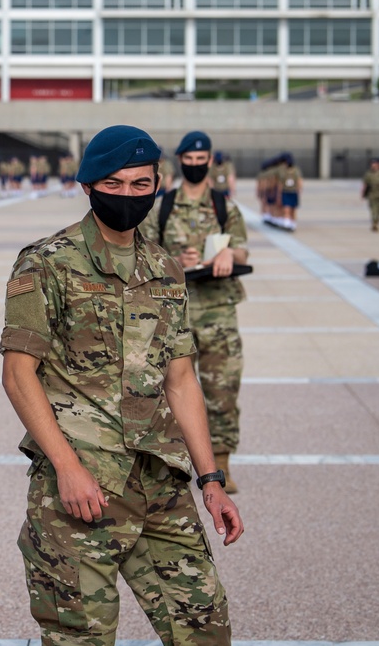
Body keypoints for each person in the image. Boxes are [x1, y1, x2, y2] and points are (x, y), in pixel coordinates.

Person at [0, 124, 242, 646]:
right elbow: (18, 375)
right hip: (80, 490)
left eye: (140, 184)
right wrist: (66, 468)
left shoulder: (165, 269)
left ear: (157, 184)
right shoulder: (46, 262)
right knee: (81, 639)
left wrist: (211, 480)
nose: (128, 196)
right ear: (87, 185)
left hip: (159, 484)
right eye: (114, 184)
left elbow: (181, 380)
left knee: (206, 632)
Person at [140, 130, 249, 494]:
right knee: (168, 390)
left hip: (218, 311)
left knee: (222, 390)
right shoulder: (163, 205)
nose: (196, 166)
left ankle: (223, 462)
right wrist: (176, 262)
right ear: (181, 160)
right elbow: (143, 252)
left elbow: (243, 251)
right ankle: (176, 463)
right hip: (175, 312)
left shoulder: (224, 206)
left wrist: (227, 255)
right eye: (190, 160)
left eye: (202, 161)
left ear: (210, 161)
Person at [275, 153, 302, 232]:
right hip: (286, 191)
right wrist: (279, 193)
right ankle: (288, 224)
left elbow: (299, 181)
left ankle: (292, 224)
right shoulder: (283, 171)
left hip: (292, 191)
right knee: (287, 208)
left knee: (292, 209)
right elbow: (280, 183)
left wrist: (299, 189)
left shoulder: (295, 170)